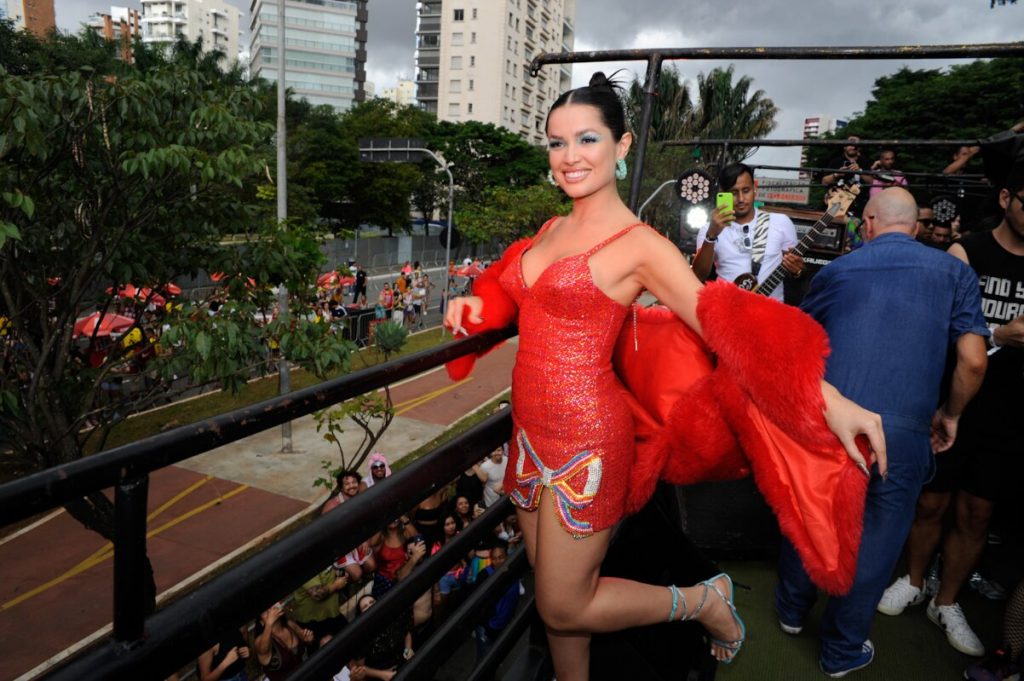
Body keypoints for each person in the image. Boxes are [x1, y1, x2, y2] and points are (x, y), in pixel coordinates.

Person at [444, 72, 886, 680]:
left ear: (622, 146)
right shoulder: (550, 231)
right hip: (528, 439)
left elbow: (722, 324)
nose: (569, 157)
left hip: (588, 445)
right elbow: (510, 289)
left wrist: (823, 395)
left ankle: (702, 602)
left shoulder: (642, 245)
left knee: (563, 600)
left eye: (587, 139)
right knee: (560, 612)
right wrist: (475, 306)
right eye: (556, 142)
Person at [774, 187, 989, 677]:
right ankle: (841, 651)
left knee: (812, 518)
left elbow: (798, 343)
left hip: (834, 423)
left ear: (867, 223)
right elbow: (973, 363)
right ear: (915, 227)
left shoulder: (839, 270)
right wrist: (950, 414)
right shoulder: (956, 272)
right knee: (877, 541)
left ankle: (790, 611)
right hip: (906, 432)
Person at [880, 151, 1024, 658]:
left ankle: (948, 599)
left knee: (977, 514)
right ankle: (914, 579)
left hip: (1010, 412)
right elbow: (939, 333)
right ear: (1006, 199)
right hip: (952, 402)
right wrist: (998, 337)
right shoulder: (967, 252)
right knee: (931, 502)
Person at [692, 162, 805, 302]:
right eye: (733, 193)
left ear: (754, 189)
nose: (740, 199)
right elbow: (698, 275)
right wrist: (711, 235)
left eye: (746, 191)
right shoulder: (709, 229)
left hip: (771, 313)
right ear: (722, 194)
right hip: (728, 310)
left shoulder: (780, 222)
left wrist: (797, 271)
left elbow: (795, 272)